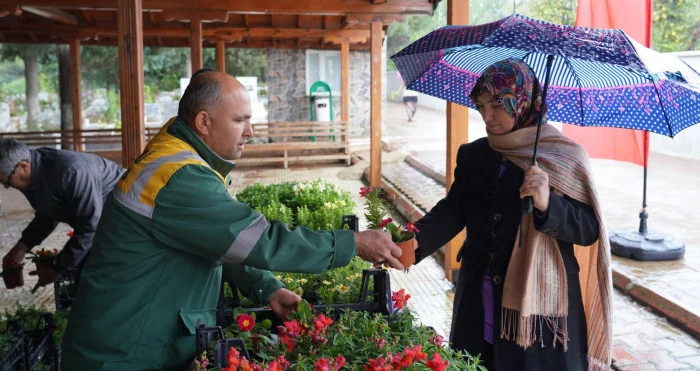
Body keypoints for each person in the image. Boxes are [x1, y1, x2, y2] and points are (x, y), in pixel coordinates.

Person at [61, 70, 403, 370]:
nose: (250, 131)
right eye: (241, 120)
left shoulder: (179, 157)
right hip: (124, 353)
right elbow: (259, 240)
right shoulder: (179, 177)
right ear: (204, 122)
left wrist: (267, 288)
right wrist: (352, 243)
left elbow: (217, 241)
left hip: (130, 340)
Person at [412, 59, 612, 370]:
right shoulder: (473, 154)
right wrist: (414, 242)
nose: (486, 116)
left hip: (540, 319)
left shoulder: (564, 157)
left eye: (497, 105)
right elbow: (454, 209)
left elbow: (588, 229)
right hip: (478, 304)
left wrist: (548, 203)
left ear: (525, 103)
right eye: (480, 105)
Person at [0, 138, 125, 290]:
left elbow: (90, 227)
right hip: (100, 222)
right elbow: (48, 213)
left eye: (5, 180)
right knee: (84, 280)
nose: (6, 186)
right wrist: (22, 246)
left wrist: (56, 269)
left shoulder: (71, 171)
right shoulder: (35, 171)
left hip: (125, 218)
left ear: (23, 166)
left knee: (96, 280)